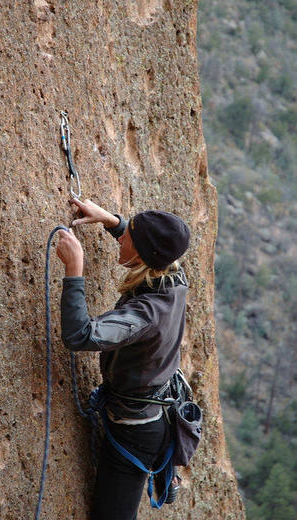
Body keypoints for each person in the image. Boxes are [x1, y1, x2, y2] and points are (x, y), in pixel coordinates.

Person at [56, 198, 190, 520]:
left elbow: (81, 336)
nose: (124, 235)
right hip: (153, 410)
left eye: (129, 235)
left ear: (142, 256)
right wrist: (110, 221)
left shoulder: (147, 315)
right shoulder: (173, 273)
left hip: (136, 432)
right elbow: (147, 244)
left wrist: (74, 270)